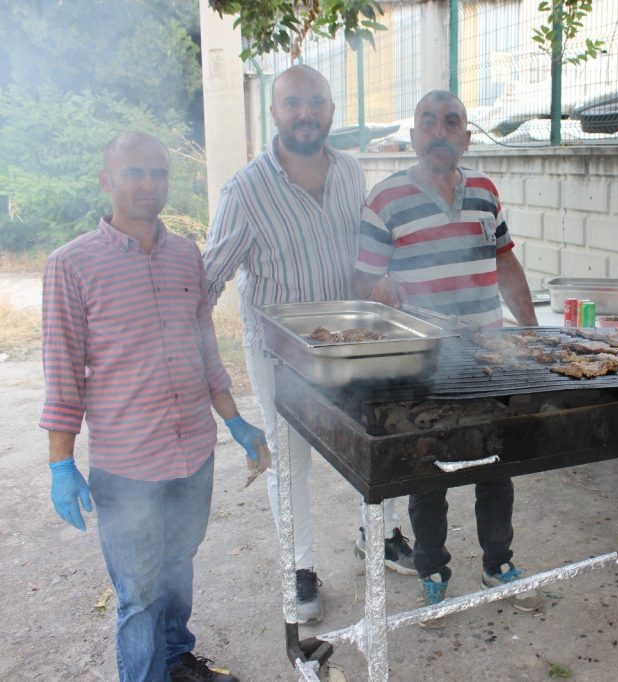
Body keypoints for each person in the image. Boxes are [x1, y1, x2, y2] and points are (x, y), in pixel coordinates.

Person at [41, 132, 266, 682]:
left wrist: (234, 420)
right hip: (128, 466)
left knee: (178, 568)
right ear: (106, 181)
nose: (148, 184)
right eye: (134, 172)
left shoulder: (187, 256)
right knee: (138, 595)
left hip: (194, 453)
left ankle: (176, 658)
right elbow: (63, 373)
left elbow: (205, 348)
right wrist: (60, 463)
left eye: (159, 173)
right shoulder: (70, 265)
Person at [203, 65, 414, 625]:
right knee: (290, 459)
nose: (306, 113)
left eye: (316, 102)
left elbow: (364, 255)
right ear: (274, 113)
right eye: (293, 103)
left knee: (373, 436)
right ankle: (299, 571)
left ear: (331, 111)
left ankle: (380, 534)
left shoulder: (350, 171)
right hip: (280, 351)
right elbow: (208, 278)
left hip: (348, 341)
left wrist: (378, 284)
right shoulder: (245, 190)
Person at [353, 90, 541, 628]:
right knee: (427, 466)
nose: (439, 131)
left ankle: (498, 563)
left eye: (451, 122)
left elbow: (506, 264)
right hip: (423, 359)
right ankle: (433, 571)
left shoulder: (484, 191)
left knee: (496, 463)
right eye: (428, 122)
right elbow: (362, 279)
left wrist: (529, 335)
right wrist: (378, 287)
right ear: (413, 136)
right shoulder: (384, 200)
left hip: (488, 353)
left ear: (465, 136)